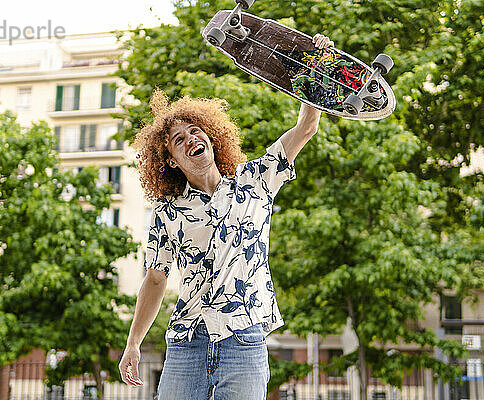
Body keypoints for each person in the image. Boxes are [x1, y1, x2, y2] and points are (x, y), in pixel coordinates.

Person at [119, 33, 334, 400]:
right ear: (171, 160)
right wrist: (133, 342)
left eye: (195, 131)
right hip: (187, 341)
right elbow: (155, 280)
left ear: (212, 137)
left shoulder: (256, 181)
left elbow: (306, 128)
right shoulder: (167, 213)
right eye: (178, 139)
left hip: (243, 339)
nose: (190, 139)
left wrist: (316, 66)